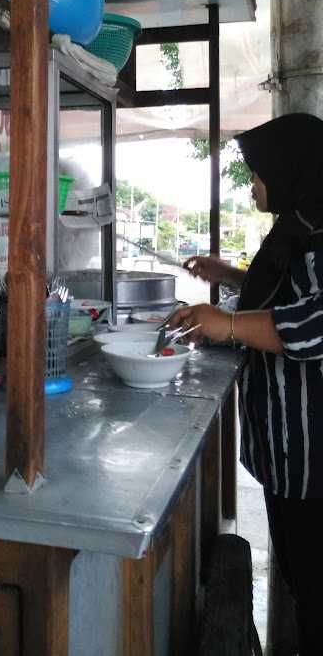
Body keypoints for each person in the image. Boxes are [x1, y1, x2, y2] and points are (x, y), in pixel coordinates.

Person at [168, 113, 323, 656]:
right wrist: (228, 277)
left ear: (292, 169)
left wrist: (228, 323)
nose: (254, 184)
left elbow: (314, 320)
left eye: (259, 174)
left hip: (313, 461)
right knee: (305, 584)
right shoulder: (300, 227)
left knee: (317, 589)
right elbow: (282, 290)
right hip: (289, 460)